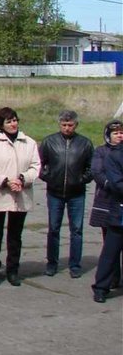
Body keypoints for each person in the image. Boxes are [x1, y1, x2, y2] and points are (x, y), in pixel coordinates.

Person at [0, 108, 41, 287]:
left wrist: (23, 178)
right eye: (8, 121)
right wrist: (5, 181)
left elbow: (35, 166)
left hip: (20, 194)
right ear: (1, 125)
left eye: (15, 120)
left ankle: (13, 269)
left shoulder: (29, 142)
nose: (13, 124)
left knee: (15, 236)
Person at [39, 110, 94, 278]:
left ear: (76, 125)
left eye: (70, 125)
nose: (67, 128)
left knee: (76, 230)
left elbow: (92, 167)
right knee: (53, 229)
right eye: (64, 125)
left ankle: (75, 265)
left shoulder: (85, 143)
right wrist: (49, 178)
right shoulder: (49, 142)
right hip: (54, 193)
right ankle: (52, 263)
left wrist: (81, 179)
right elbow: (39, 164)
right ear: (59, 125)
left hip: (77, 193)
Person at [91, 121, 123, 303]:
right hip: (119, 212)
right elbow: (116, 183)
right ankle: (101, 287)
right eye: (117, 133)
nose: (120, 135)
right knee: (110, 253)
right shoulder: (114, 156)